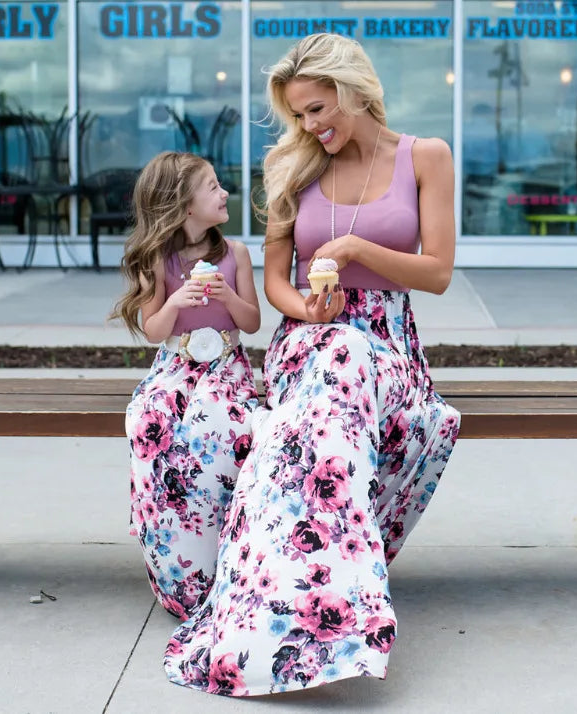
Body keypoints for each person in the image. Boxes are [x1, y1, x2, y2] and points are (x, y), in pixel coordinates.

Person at [162, 34, 461, 696]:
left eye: (319, 108)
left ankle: (291, 591)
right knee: (336, 358)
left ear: (354, 91)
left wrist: (356, 248)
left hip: (387, 342)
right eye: (299, 114)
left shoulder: (425, 157)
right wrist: (309, 307)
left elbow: (437, 272)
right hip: (308, 339)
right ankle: (316, 601)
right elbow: (275, 282)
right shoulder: (289, 165)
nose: (309, 125)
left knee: (344, 367)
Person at [115, 151, 261, 619]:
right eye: (214, 187)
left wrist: (228, 295)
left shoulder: (235, 254)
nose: (225, 194)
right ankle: (173, 556)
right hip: (176, 367)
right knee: (150, 421)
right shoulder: (160, 259)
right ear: (183, 203)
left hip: (226, 367)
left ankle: (222, 555)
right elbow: (154, 331)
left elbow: (253, 323)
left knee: (221, 430)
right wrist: (176, 298)